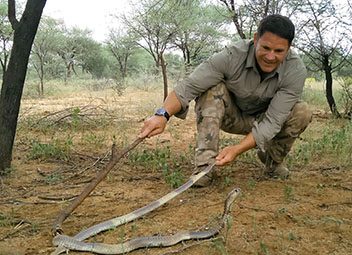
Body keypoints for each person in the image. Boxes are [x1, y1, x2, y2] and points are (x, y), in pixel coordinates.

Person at [139, 14, 312, 187]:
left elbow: (273, 120)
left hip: (265, 121)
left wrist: (237, 149)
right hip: (231, 116)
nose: (270, 56)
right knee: (212, 88)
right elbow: (190, 86)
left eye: (279, 51)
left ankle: (272, 161)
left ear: (289, 48)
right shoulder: (231, 56)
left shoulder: (295, 70)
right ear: (256, 39)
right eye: (265, 47)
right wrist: (162, 114)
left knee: (302, 111)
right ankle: (204, 167)